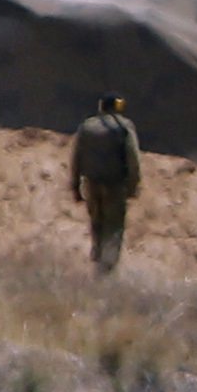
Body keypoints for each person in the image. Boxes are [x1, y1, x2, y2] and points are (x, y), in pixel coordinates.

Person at [65, 95, 144, 275]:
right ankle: (107, 269)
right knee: (113, 226)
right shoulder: (124, 127)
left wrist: (75, 186)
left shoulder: (87, 127)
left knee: (96, 222)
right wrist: (133, 185)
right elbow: (133, 158)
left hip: (91, 184)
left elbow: (76, 157)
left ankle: (97, 257)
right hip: (115, 185)